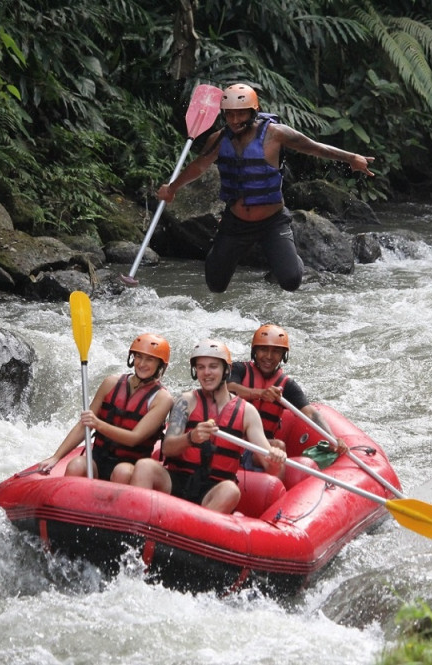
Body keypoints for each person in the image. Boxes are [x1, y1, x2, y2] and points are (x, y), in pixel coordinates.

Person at [156, 83, 376, 293]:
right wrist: (172, 188)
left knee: (290, 281)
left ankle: (291, 257)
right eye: (230, 114)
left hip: (272, 221)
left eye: (240, 113)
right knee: (216, 285)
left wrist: (351, 158)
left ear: (254, 111)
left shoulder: (275, 133)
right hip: (235, 223)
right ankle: (221, 248)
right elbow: (199, 166)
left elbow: (315, 148)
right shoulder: (219, 139)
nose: (234, 120)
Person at [128, 339, 286, 513]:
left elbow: (267, 462)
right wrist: (190, 438)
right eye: (201, 367)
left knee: (230, 490)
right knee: (145, 466)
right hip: (178, 480)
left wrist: (276, 459)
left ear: (226, 370)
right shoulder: (186, 401)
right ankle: (136, 534)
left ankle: (188, 534)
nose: (206, 373)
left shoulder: (247, 412)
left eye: (213, 366)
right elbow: (167, 449)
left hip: (213, 490)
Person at [38, 333, 174, 483]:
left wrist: (97, 424)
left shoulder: (162, 399)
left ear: (160, 365)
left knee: (121, 472)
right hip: (98, 459)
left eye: (150, 359)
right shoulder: (111, 383)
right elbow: (84, 425)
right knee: (76, 465)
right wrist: (56, 457)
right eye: (139, 357)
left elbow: (134, 439)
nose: (142, 363)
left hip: (130, 467)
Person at [227, 323, 348, 473]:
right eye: (264, 350)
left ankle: (278, 492)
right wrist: (261, 393)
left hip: (260, 447)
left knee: (277, 447)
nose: (269, 357)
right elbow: (229, 388)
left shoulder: (287, 386)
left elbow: (311, 413)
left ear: (283, 356)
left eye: (276, 352)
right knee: (277, 447)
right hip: (230, 441)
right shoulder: (239, 369)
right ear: (255, 351)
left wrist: (332, 438)